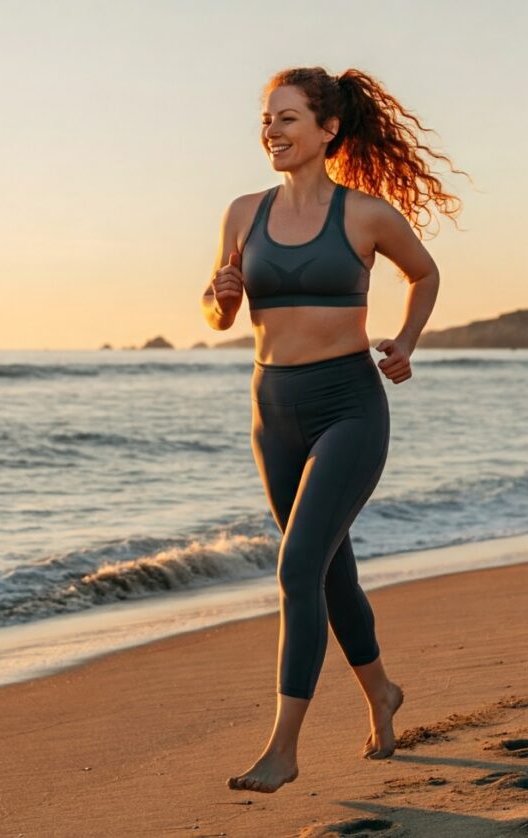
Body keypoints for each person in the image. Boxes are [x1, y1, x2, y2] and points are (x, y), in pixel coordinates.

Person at [201, 66, 466, 794]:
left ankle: (283, 748)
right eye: (267, 120)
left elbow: (425, 273)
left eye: (288, 119)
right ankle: (381, 691)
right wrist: (219, 298)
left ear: (327, 130)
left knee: (296, 569)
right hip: (273, 410)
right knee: (329, 569)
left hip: (349, 405)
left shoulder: (365, 215)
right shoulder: (241, 212)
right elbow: (218, 310)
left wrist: (406, 341)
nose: (273, 132)